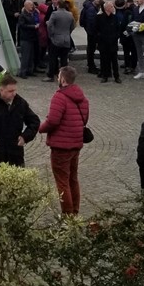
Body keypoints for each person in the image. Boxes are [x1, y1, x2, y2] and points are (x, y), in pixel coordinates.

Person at [40, 66, 88, 214]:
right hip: (76, 144)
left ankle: (67, 216)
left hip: (61, 146)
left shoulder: (59, 97)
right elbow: (84, 119)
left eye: (59, 76)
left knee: (62, 182)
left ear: (63, 79)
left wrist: (41, 128)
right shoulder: (82, 97)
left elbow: (53, 121)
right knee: (73, 179)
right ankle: (75, 210)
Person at [46, 3, 75, 83]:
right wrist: (68, 33)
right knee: (64, 59)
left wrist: (51, 34)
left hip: (56, 38)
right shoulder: (70, 14)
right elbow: (73, 25)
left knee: (52, 57)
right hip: (66, 39)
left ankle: (50, 75)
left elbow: (50, 25)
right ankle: (64, 77)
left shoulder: (55, 14)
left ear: (58, 6)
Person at [93, 0, 121, 84]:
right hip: (103, 43)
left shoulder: (115, 17)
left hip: (113, 42)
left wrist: (116, 37)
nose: (113, 8)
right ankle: (105, 75)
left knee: (114, 61)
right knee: (104, 60)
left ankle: (116, 76)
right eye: (111, 6)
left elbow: (118, 29)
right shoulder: (99, 18)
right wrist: (99, 38)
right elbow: (96, 29)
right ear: (107, 8)